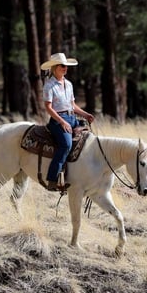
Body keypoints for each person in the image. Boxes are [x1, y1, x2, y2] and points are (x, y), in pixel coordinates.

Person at [41, 52, 95, 191]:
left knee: (88, 138)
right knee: (66, 145)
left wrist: (85, 114)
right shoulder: (49, 85)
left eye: (66, 66)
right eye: (62, 66)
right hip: (57, 120)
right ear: (54, 67)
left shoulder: (69, 84)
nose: (65, 68)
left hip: (72, 118)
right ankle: (53, 179)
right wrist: (62, 122)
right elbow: (48, 108)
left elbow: (72, 105)